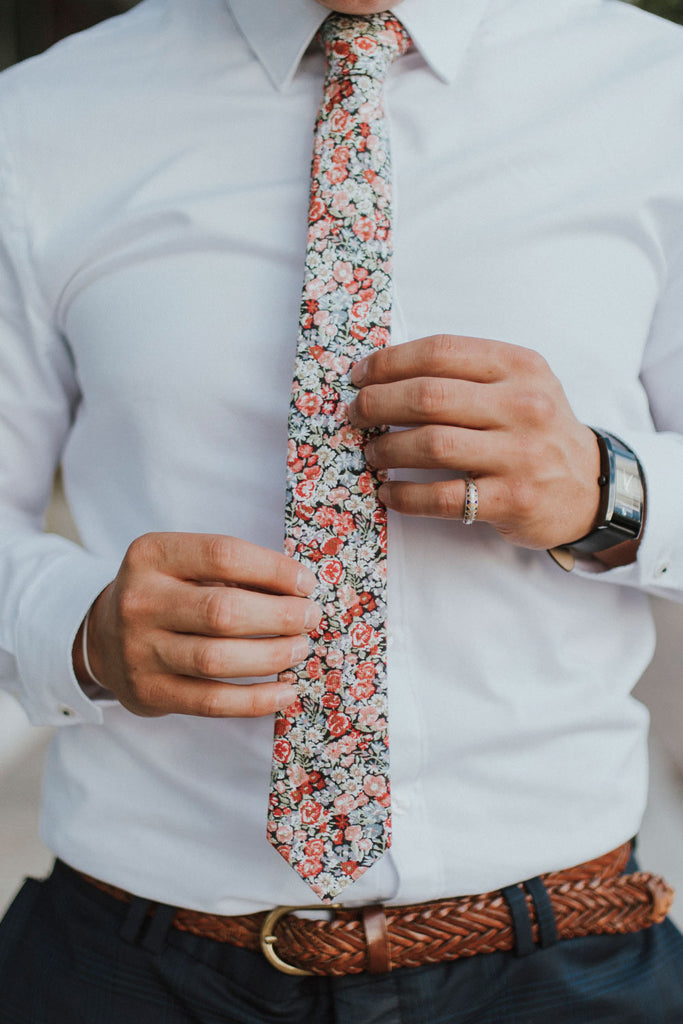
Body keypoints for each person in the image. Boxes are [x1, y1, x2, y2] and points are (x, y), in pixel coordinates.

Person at [1, 0, 682, 1019]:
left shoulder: (656, 92)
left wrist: (604, 489)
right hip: (127, 965)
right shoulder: (39, 119)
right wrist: (81, 631)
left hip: (566, 959)